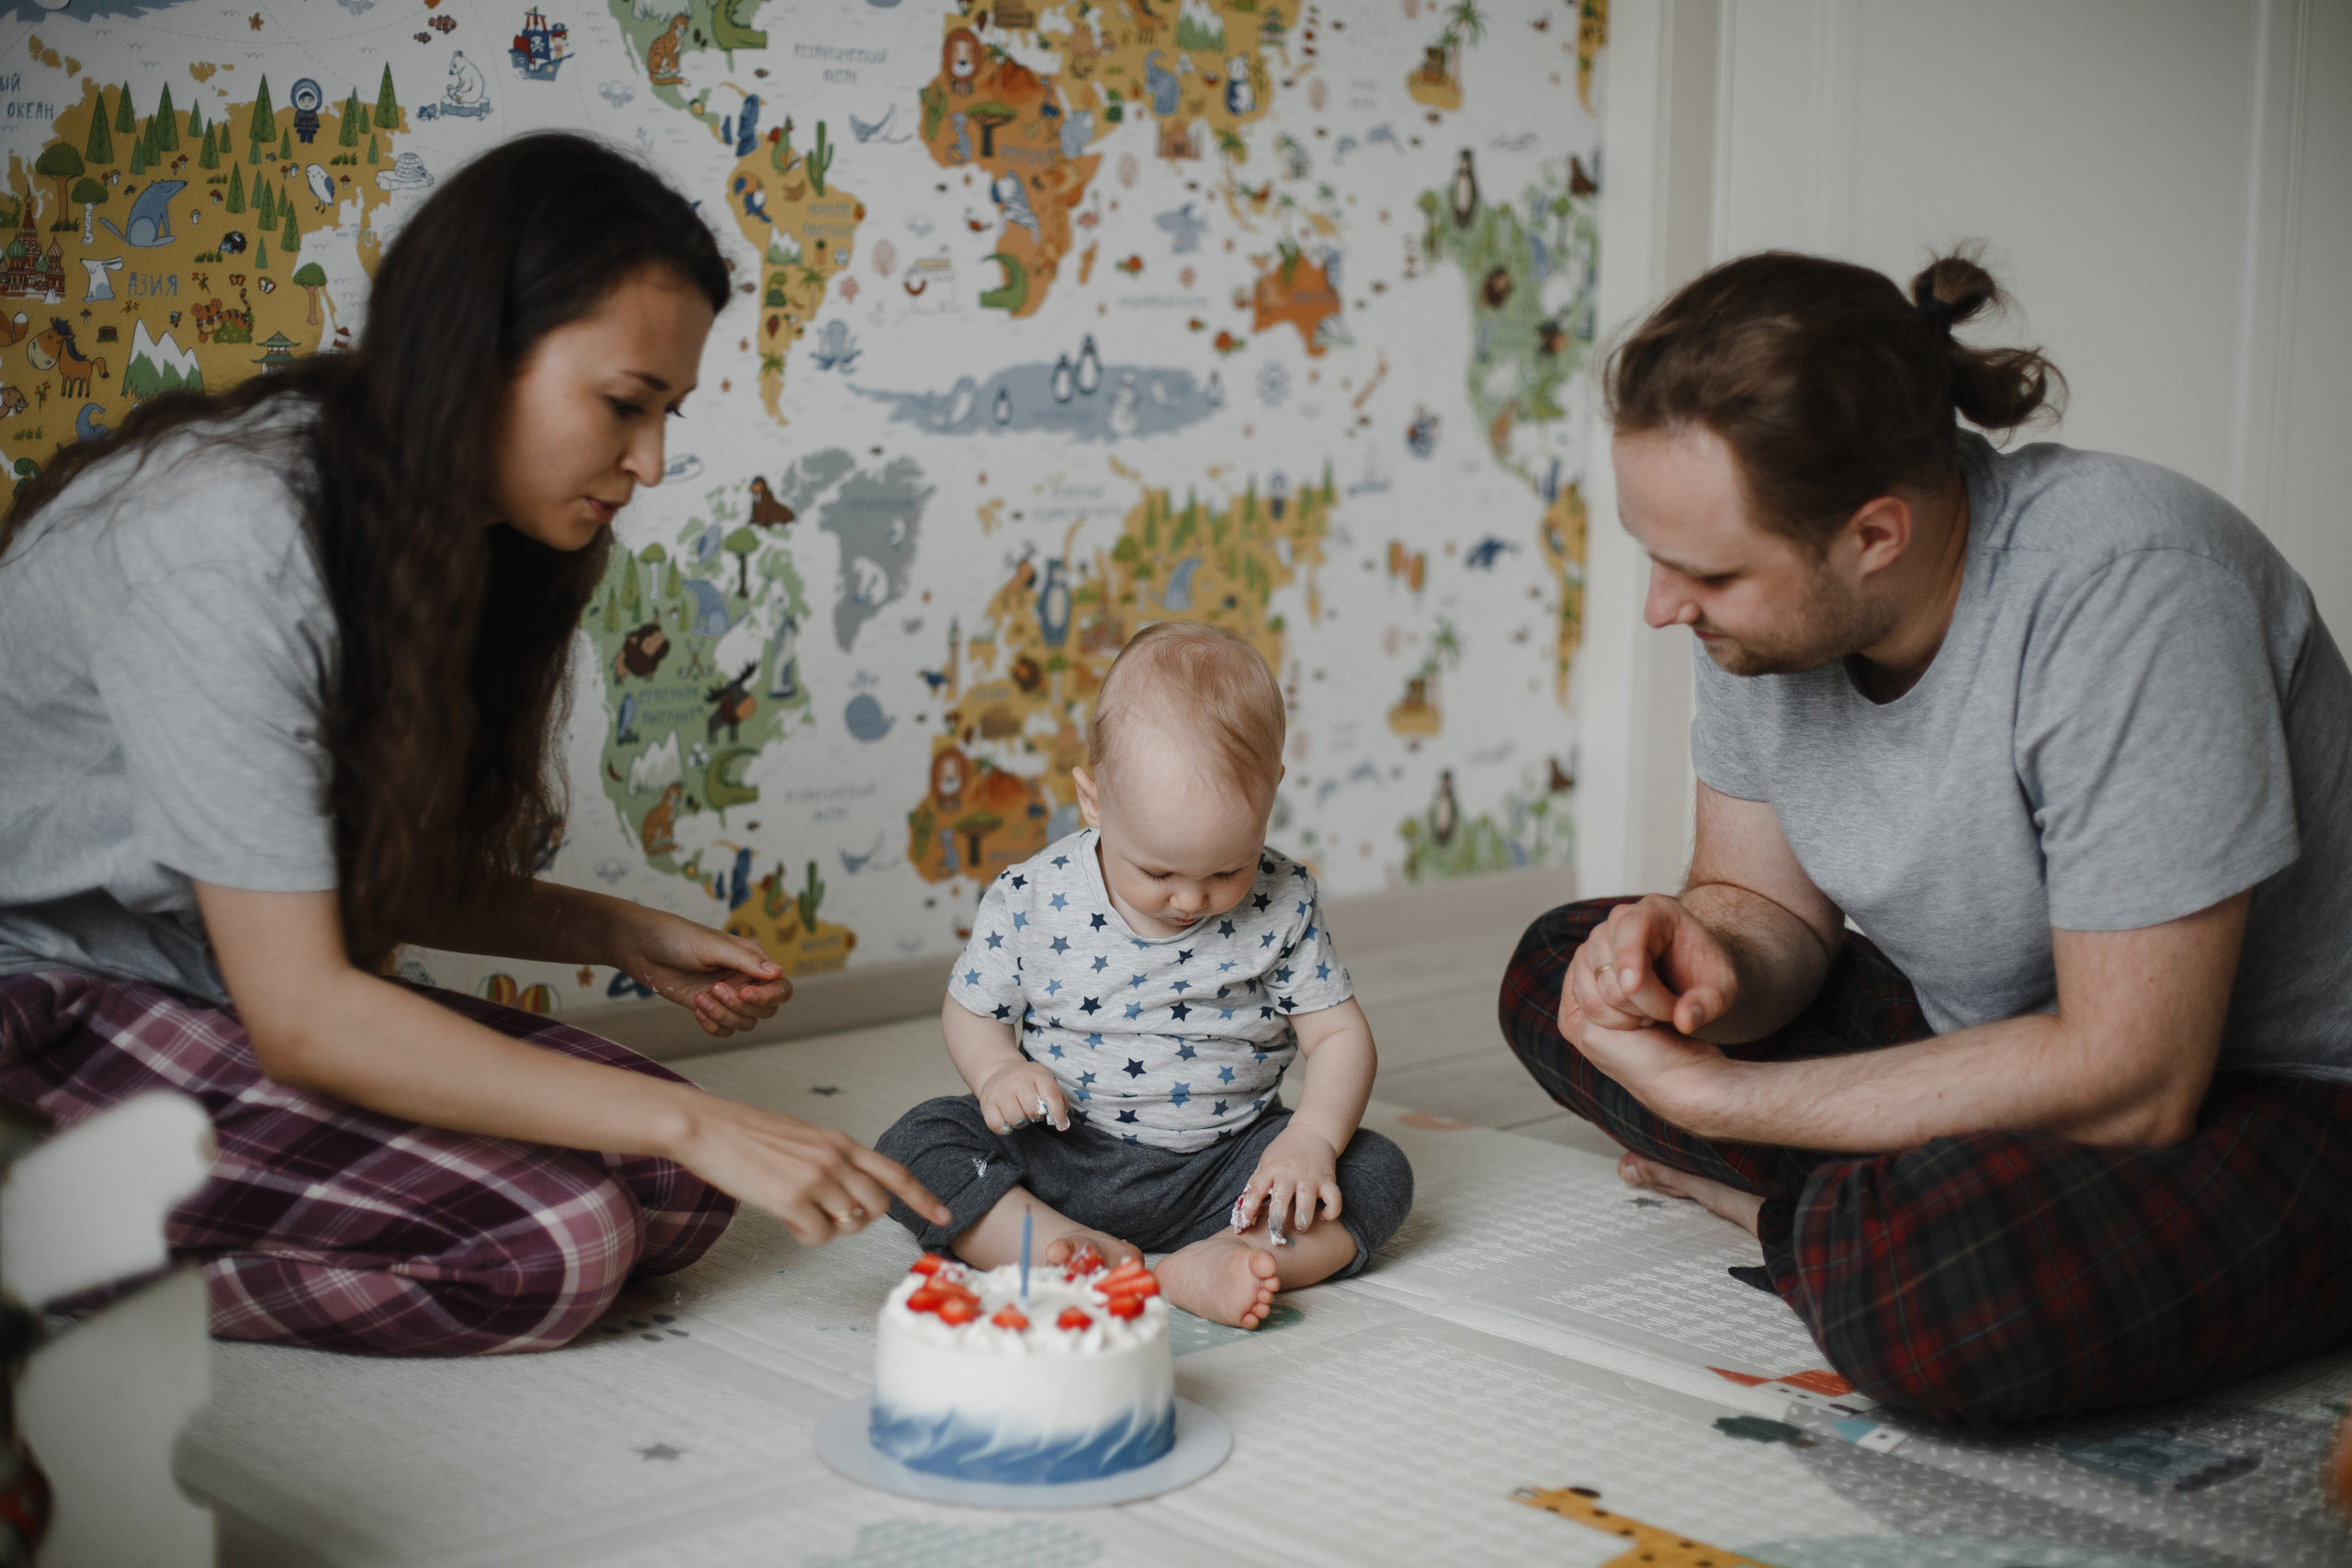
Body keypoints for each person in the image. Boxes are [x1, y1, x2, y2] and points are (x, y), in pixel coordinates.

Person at [0, 133, 949, 1358]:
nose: (651, 462)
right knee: (557, 1241)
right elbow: (304, 1013)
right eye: (625, 405)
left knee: (674, 1188)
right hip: (42, 994)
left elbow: (316, 870)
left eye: (667, 414)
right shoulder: (224, 534)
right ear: (475, 352)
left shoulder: (448, 529)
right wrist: (704, 1124)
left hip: (192, 968)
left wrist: (610, 932)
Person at [1500, 248, 2352, 1426]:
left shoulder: (2133, 589)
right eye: (1655, 556)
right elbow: (1765, 909)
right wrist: (1701, 961)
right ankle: (1860, 1215)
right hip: (2000, 1040)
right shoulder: (1759, 623)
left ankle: (1799, 1222)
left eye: (1706, 573)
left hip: (2273, 1094)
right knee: (1558, 974)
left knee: (1937, 1292)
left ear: (1874, 536)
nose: (1661, 607)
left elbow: (2135, 1083)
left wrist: (1718, 1105)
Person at [876, 624, 1413, 1327]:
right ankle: (1057, 1245)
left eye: (1227, 869)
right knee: (916, 1143)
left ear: (1270, 796)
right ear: (1093, 800)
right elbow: (972, 1010)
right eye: (1157, 871)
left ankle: (1230, 1256)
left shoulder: (1283, 900)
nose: (1191, 899)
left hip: (1229, 1168)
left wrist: (1310, 1138)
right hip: (1059, 1152)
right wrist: (997, 1070)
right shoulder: (1033, 897)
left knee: (1376, 1170)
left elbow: (1339, 1035)